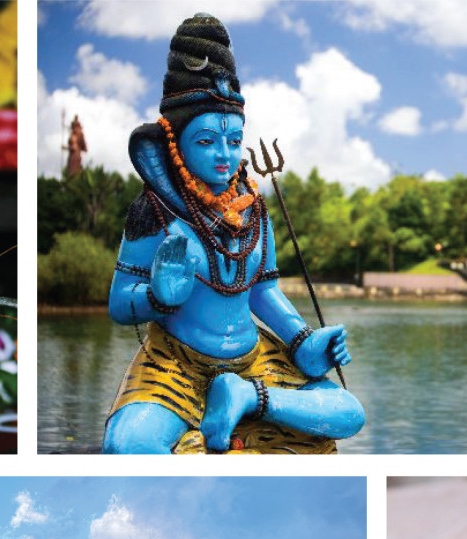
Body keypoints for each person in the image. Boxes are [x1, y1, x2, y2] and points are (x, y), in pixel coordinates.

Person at [102, 13, 364, 454]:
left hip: (254, 359)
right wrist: (157, 297)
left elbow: (263, 290)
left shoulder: (255, 208)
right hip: (176, 364)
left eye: (233, 140)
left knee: (348, 412)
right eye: (206, 141)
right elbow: (118, 302)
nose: (224, 155)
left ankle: (249, 398)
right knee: (129, 446)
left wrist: (302, 341)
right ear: (172, 142)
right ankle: (232, 409)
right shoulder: (156, 210)